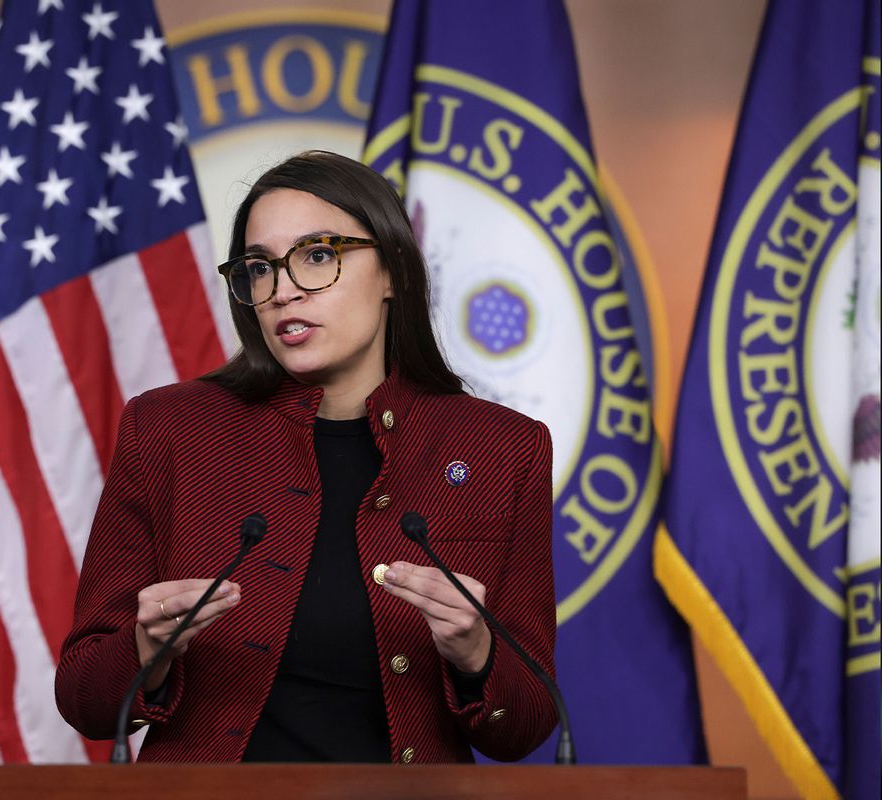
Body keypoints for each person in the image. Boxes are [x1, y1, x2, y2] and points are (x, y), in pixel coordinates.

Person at [55, 150, 557, 764]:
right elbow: (83, 699)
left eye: (317, 255)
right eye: (260, 268)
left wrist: (476, 651)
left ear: (394, 269)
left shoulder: (502, 448)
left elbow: (525, 726)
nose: (283, 290)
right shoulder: (168, 431)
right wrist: (144, 650)